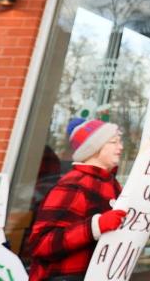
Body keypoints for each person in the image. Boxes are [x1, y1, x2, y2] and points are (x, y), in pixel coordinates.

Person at [27, 117, 126, 281]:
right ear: (94, 148)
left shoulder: (113, 185)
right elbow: (41, 243)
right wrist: (95, 226)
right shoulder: (74, 184)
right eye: (113, 142)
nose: (120, 147)